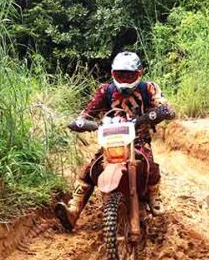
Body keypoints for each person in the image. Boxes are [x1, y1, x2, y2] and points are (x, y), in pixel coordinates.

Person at [55, 51, 176, 231]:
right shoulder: (106, 90)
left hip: (138, 140)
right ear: (113, 74)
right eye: (121, 75)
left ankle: (154, 197)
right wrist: (83, 122)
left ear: (139, 73)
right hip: (110, 140)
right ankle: (74, 209)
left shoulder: (149, 88)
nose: (125, 80)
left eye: (130, 76)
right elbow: (88, 112)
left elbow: (166, 108)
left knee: (149, 164)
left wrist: (160, 112)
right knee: (91, 168)